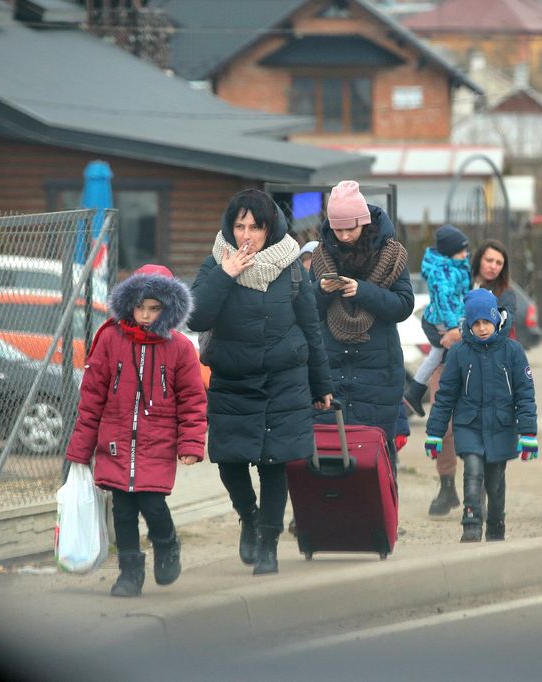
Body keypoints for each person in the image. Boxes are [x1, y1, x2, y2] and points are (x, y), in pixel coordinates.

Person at [189, 189, 333, 576]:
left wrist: (321, 385)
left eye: (255, 226)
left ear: (270, 229)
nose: (246, 235)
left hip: (284, 381)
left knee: (275, 464)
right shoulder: (215, 264)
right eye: (240, 226)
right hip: (233, 380)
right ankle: (248, 517)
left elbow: (310, 327)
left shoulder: (289, 267)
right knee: (230, 460)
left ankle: (267, 542)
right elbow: (195, 316)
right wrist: (226, 273)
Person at [65, 264, 207, 597]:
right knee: (123, 510)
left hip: (157, 443)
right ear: (129, 303)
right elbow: (91, 398)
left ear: (168, 309)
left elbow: (192, 400)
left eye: (154, 308)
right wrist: (80, 450)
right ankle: (129, 574)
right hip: (114, 442)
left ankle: (167, 543)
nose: (145, 315)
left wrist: (191, 443)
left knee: (153, 505)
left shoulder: (180, 348)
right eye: (140, 306)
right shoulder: (110, 339)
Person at [308, 181, 414, 474]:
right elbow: (305, 311)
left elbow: (403, 305)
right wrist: (321, 289)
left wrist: (363, 291)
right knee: (329, 454)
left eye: (350, 229)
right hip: (332, 366)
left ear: (364, 222)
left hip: (378, 368)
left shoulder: (392, 254)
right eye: (338, 229)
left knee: (377, 456)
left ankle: (381, 518)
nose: (343, 236)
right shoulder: (320, 256)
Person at [425, 289, 538, 542]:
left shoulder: (513, 352)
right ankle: (471, 524)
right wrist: (435, 433)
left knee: (496, 481)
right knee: (473, 470)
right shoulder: (459, 353)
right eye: (476, 323)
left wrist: (528, 432)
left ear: (497, 319)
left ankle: (496, 525)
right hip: (470, 425)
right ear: (469, 324)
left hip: (501, 426)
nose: (482, 328)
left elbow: (525, 394)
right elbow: (445, 397)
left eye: (487, 321)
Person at [426, 239, 517, 516]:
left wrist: (459, 333)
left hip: (487, 369)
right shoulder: (458, 280)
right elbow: (433, 319)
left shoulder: (506, 294)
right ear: (478, 260)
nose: (493, 266)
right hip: (446, 363)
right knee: (443, 425)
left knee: (482, 426)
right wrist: (444, 336)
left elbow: (503, 325)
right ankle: (446, 485)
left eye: (499, 263)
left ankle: (478, 490)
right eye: (489, 260)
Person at [403, 224, 471, 417]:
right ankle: (443, 397)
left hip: (452, 317)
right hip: (442, 320)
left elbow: (463, 295)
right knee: (450, 354)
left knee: (436, 355)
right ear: (449, 253)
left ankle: (414, 392)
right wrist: (453, 328)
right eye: (460, 251)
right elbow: (445, 301)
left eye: (465, 250)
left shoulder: (457, 266)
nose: (465, 254)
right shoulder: (442, 272)